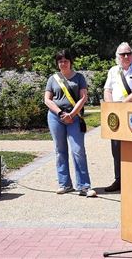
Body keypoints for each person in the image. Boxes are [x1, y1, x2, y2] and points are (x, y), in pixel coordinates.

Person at [44, 49, 96, 197]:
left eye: (66, 61)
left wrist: (72, 114)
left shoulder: (79, 77)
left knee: (78, 150)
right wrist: (60, 113)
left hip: (74, 117)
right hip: (56, 117)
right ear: (57, 63)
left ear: (71, 62)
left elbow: (83, 97)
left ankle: (84, 186)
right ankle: (64, 184)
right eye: (60, 61)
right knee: (60, 150)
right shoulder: (52, 79)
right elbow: (47, 99)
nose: (63, 63)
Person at [103, 42, 132, 192]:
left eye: (129, 53)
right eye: (123, 54)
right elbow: (107, 90)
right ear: (118, 57)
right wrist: (111, 107)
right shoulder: (113, 71)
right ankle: (119, 180)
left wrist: (121, 105)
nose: (126, 56)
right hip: (116, 114)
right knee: (116, 149)